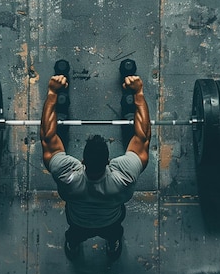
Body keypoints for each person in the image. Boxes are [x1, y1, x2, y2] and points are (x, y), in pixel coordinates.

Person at [40, 74, 151, 261]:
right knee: (114, 233)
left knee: (74, 235)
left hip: (78, 221)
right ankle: (112, 243)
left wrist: (52, 93)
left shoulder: (65, 175)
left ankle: (73, 245)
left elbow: (47, 137)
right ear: (109, 161)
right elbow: (143, 137)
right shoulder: (125, 177)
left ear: (82, 160)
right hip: (111, 221)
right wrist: (138, 93)